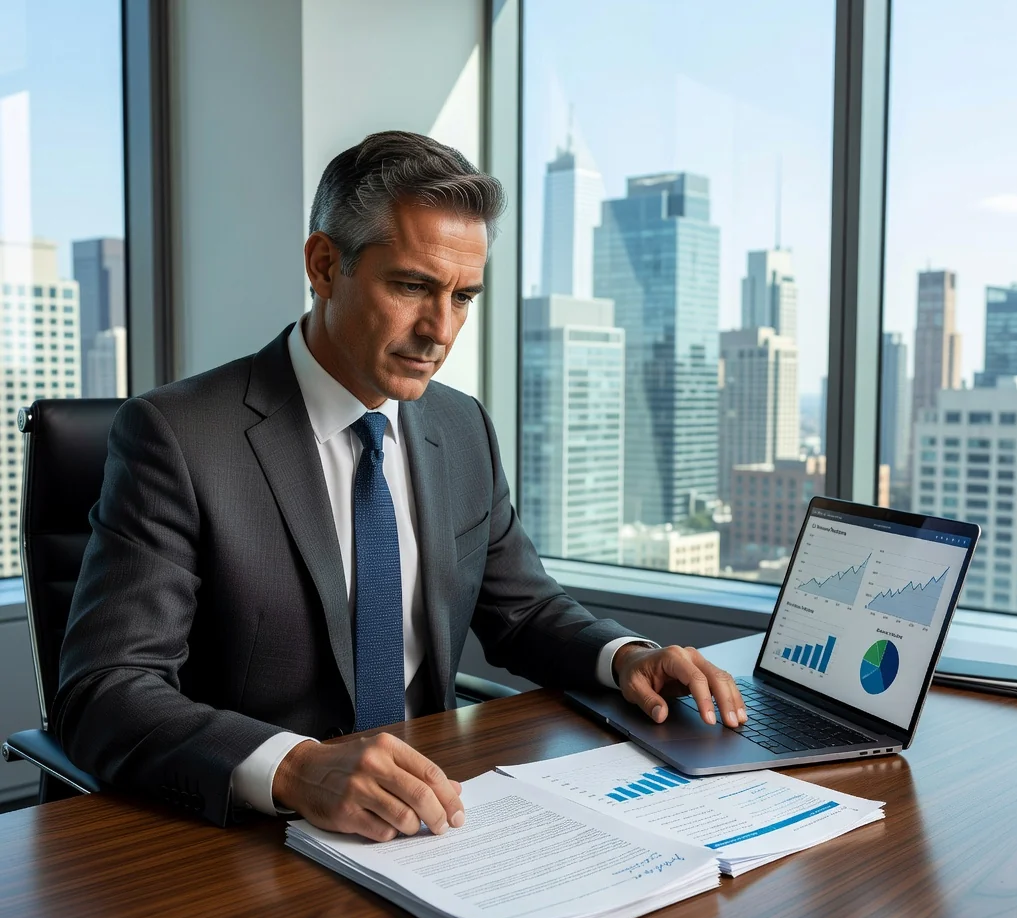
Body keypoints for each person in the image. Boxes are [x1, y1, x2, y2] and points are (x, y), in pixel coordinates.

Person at [54, 131, 745, 840]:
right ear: (324, 266)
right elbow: (104, 690)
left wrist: (626, 656)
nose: (439, 330)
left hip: (440, 818)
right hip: (259, 839)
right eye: (412, 286)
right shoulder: (178, 437)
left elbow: (524, 610)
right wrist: (295, 768)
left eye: (463, 296)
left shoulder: (461, 425)